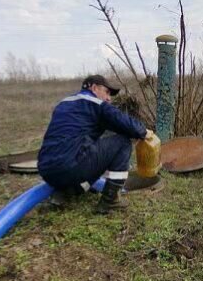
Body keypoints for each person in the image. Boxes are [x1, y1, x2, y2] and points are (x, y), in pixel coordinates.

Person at [37, 74, 157, 213]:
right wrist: (144, 132)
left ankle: (63, 193)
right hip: (72, 166)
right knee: (123, 142)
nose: (108, 99)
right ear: (94, 88)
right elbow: (125, 123)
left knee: (82, 149)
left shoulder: (64, 104)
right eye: (106, 92)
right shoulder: (96, 103)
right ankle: (110, 200)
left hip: (46, 169)